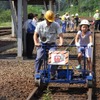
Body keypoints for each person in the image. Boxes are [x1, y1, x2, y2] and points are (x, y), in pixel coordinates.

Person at [34, 10, 63, 78]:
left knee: (54, 56)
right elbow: (35, 35)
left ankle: (52, 73)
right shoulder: (40, 24)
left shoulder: (56, 25)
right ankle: (37, 72)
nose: (50, 22)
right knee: (39, 57)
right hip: (42, 44)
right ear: (45, 18)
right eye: (48, 20)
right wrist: (36, 42)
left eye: (51, 21)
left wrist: (61, 42)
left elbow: (60, 35)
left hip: (52, 44)